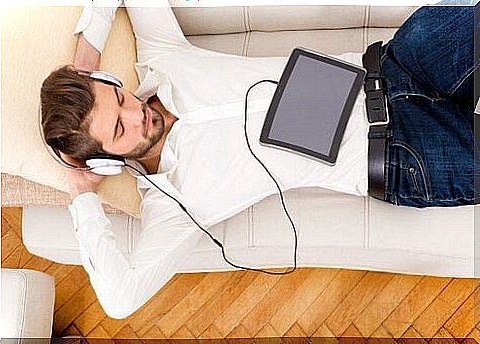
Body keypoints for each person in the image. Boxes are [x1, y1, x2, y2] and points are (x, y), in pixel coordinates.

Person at [39, 1, 476, 318]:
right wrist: (81, 195)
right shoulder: (173, 206)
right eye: (119, 130)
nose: (137, 114)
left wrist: (87, 54)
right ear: (104, 163)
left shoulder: (164, 58)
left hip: (395, 64)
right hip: (402, 155)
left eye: (119, 97)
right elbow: (118, 298)